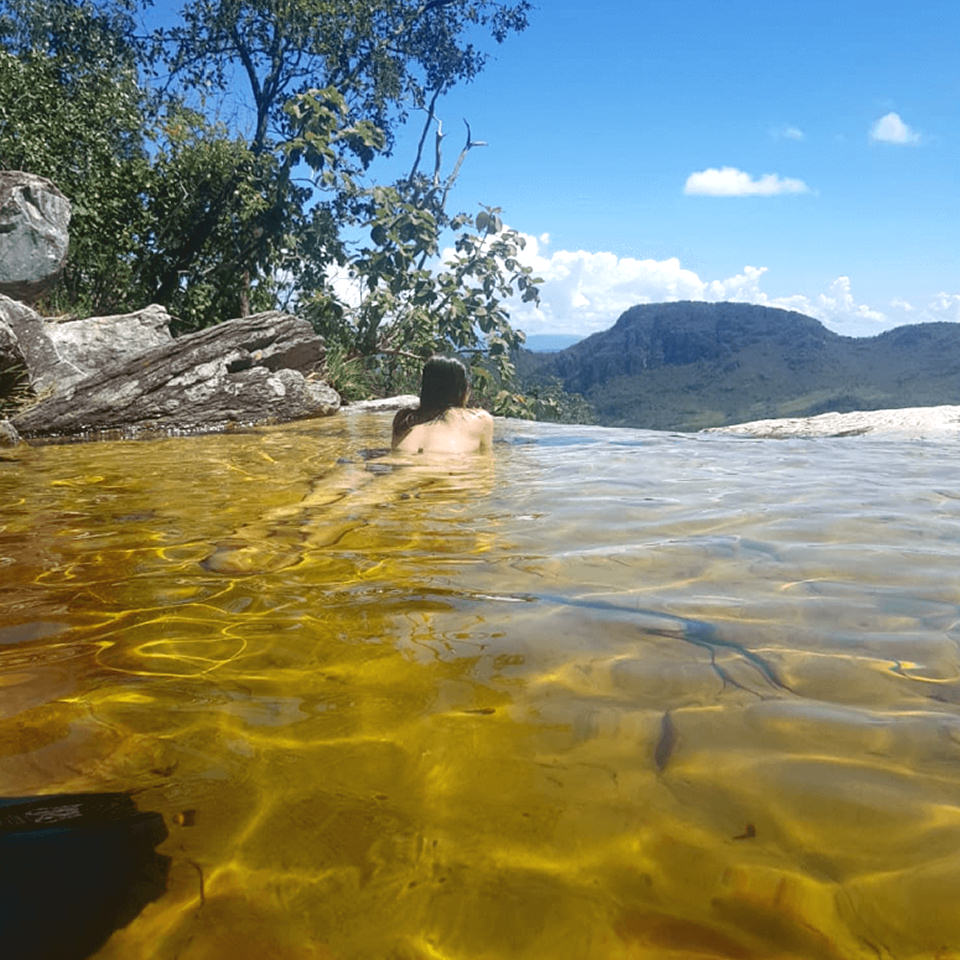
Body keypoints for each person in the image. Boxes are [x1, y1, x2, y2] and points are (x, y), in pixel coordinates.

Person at [392, 356, 493, 454]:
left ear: (425, 388)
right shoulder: (482, 420)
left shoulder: (403, 420)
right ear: (462, 390)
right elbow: (485, 464)